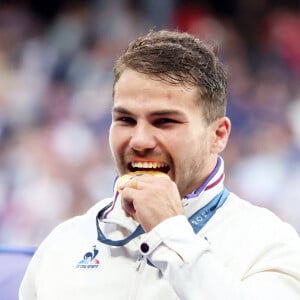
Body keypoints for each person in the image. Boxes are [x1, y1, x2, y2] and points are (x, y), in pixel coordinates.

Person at [19, 30, 300, 299]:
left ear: (218, 135)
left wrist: (170, 233)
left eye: (165, 121)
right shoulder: (64, 245)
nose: (139, 141)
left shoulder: (268, 243)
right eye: (126, 120)